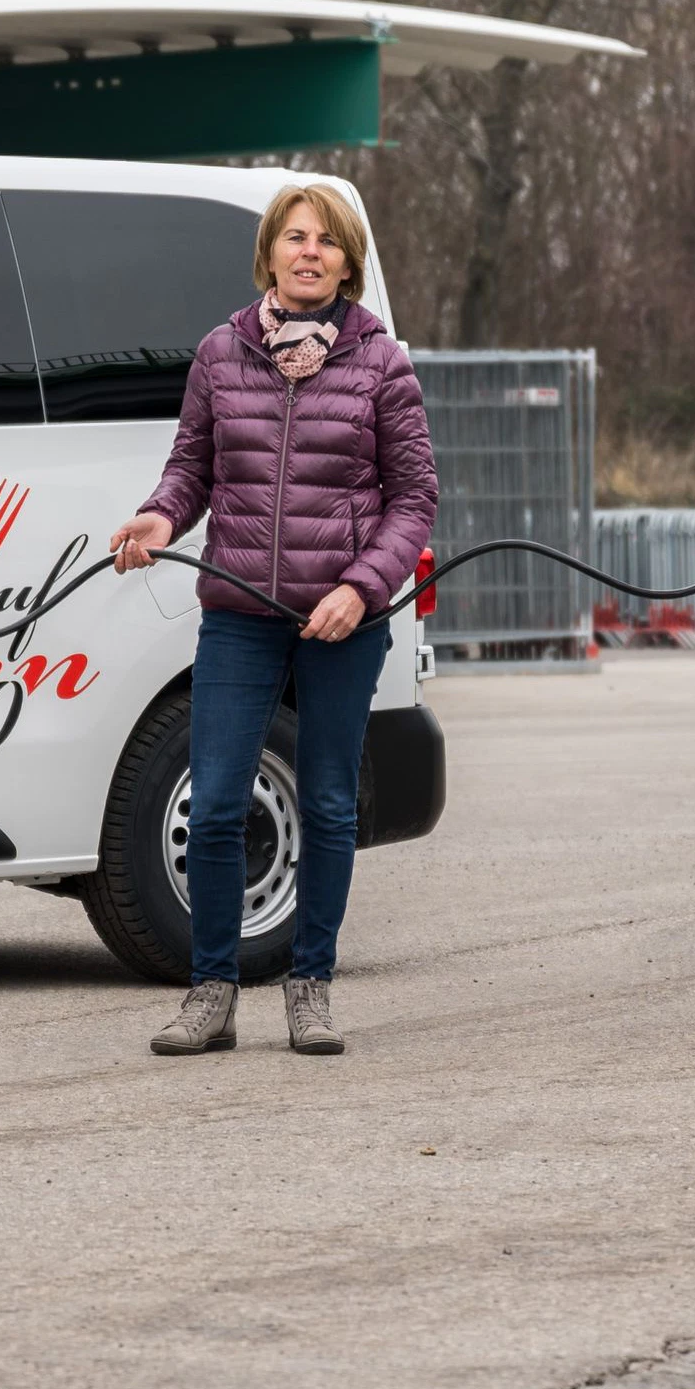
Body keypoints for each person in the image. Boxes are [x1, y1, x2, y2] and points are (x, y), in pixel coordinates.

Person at [107, 184, 438, 1058]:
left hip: (342, 620)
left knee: (327, 804)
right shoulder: (222, 354)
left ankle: (310, 988)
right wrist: (160, 517)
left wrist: (362, 588)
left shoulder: (381, 364)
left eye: (326, 241)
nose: (309, 252)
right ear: (270, 254)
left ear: (347, 262)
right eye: (295, 237)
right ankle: (212, 994)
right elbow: (191, 469)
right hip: (240, 614)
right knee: (217, 805)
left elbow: (414, 500)